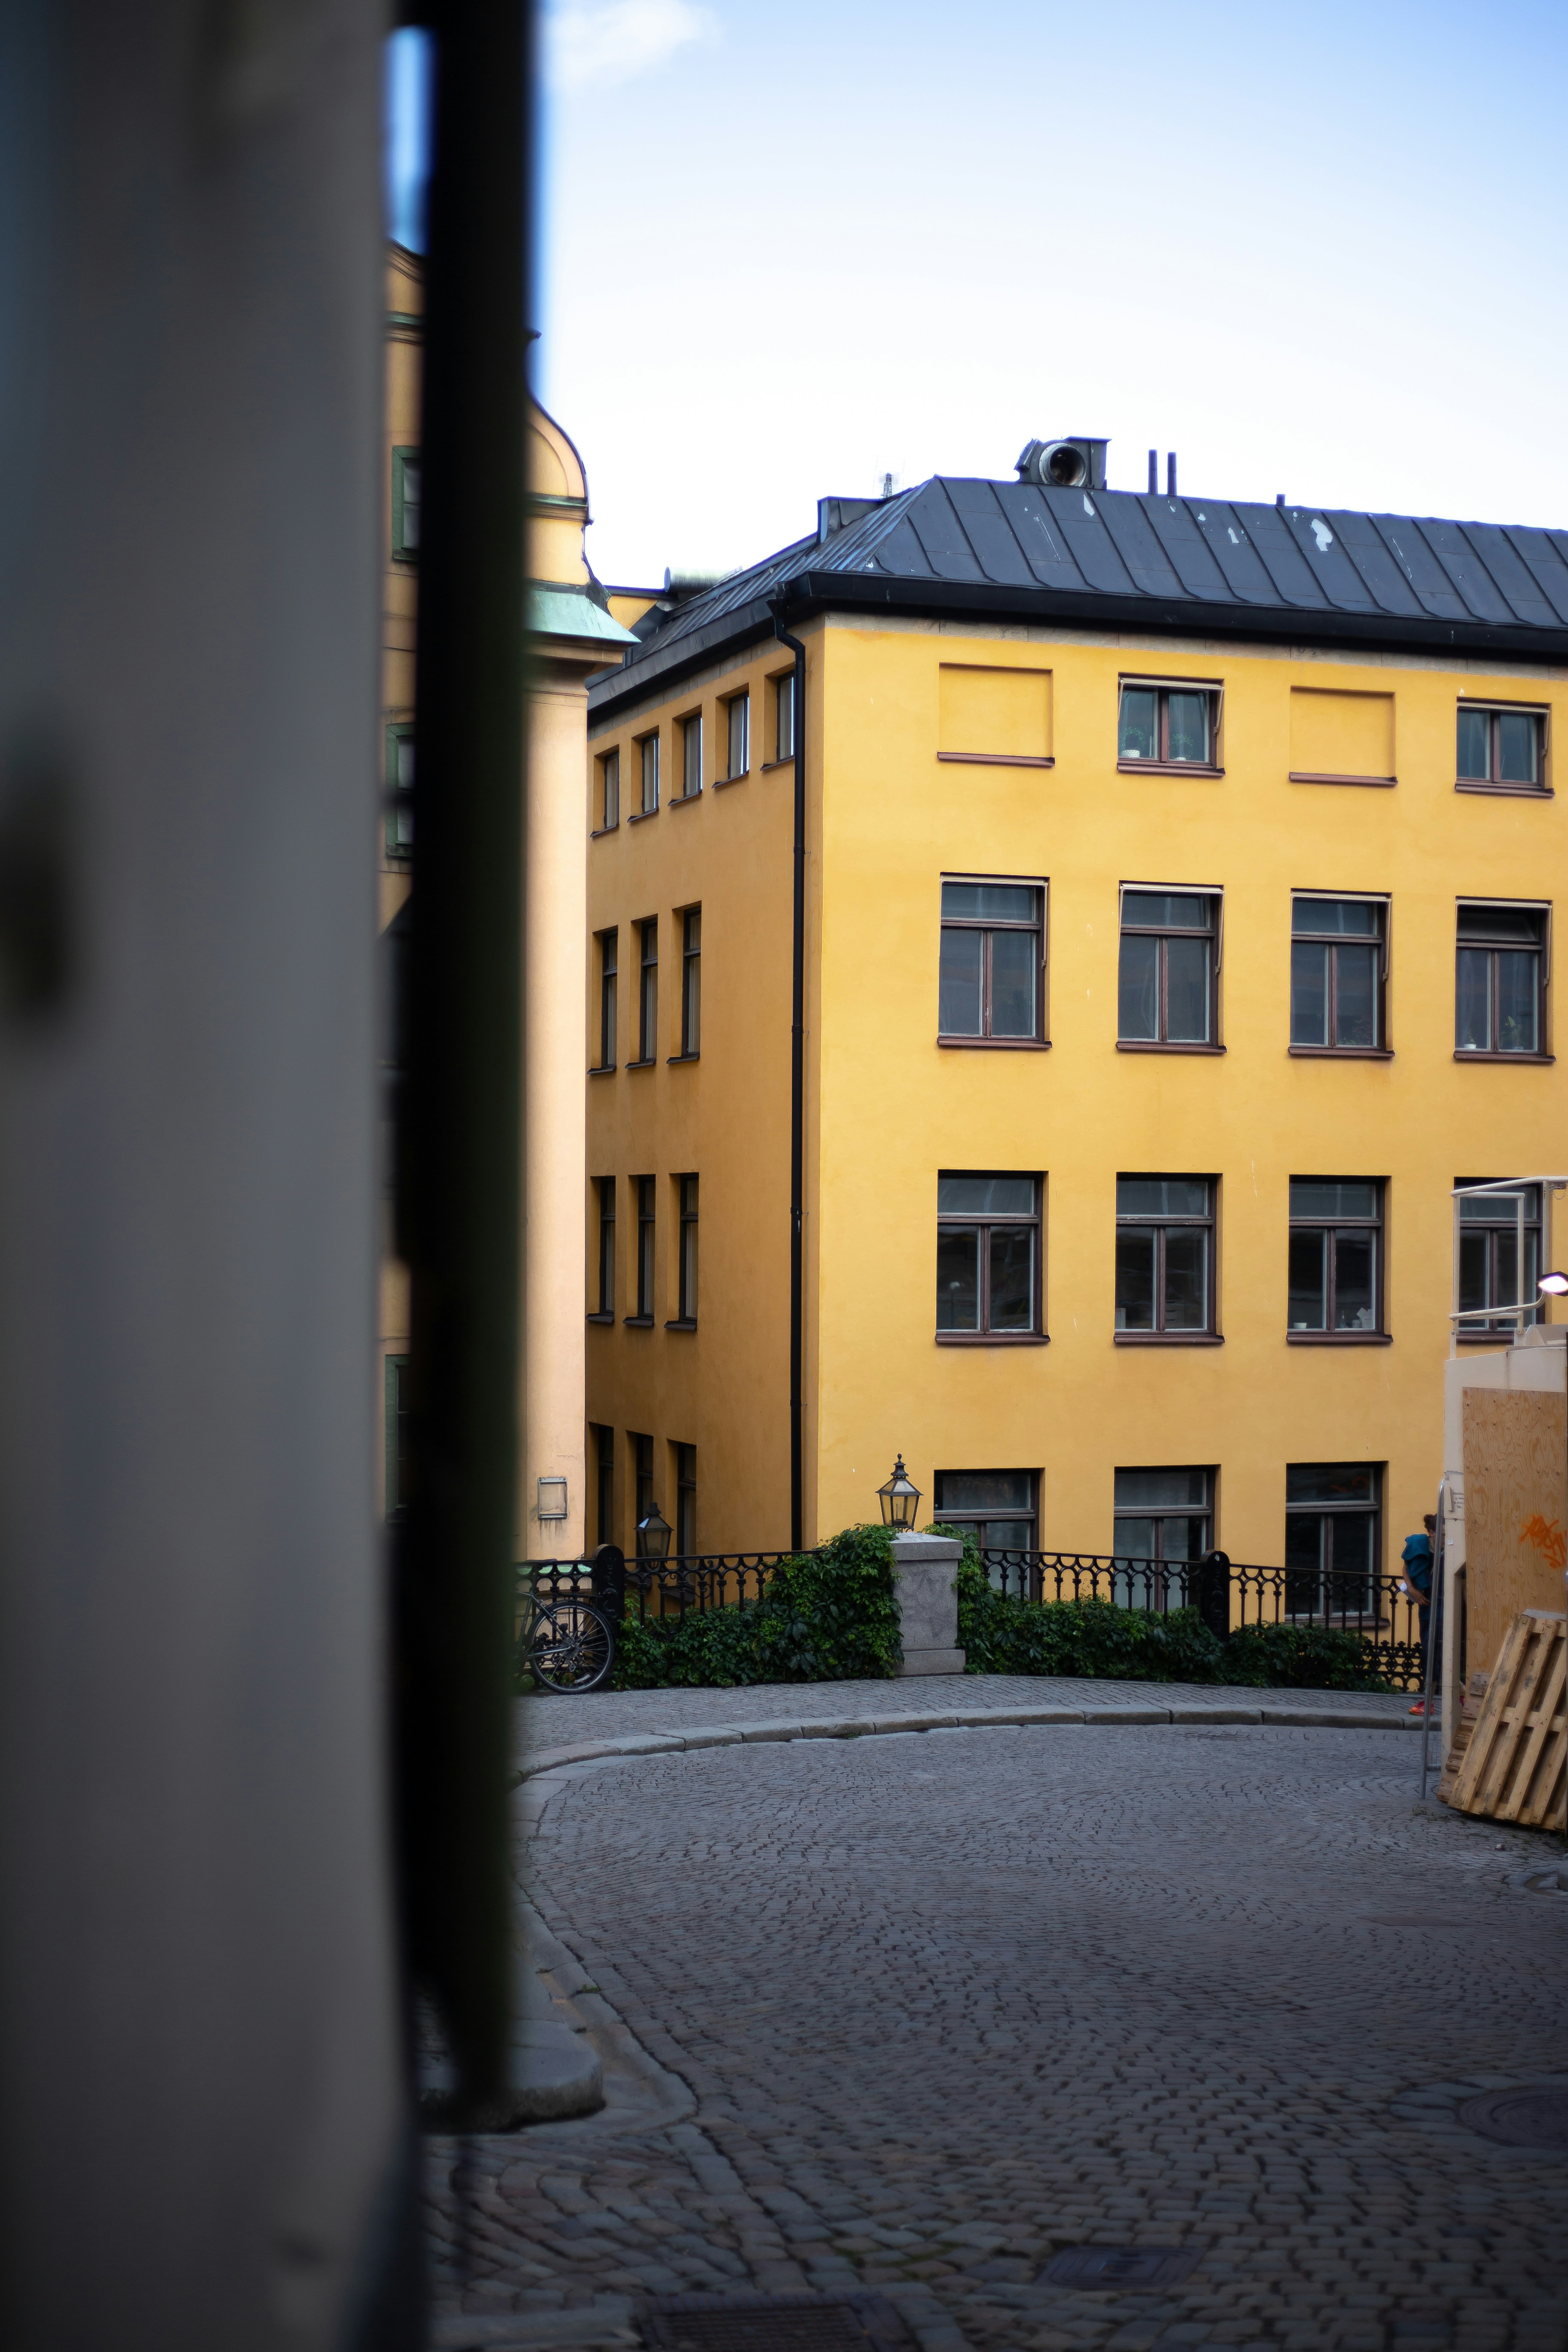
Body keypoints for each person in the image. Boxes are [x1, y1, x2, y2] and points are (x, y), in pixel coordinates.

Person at [1399, 1514, 1437, 1713]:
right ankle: (1430, 1702)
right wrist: (1412, 1589)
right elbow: (1406, 1567)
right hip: (1428, 1606)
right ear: (1431, 1533)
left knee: (1440, 1654)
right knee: (1429, 1653)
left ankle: (1461, 1693)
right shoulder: (1421, 1545)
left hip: (1448, 1605)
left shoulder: (1453, 1548)